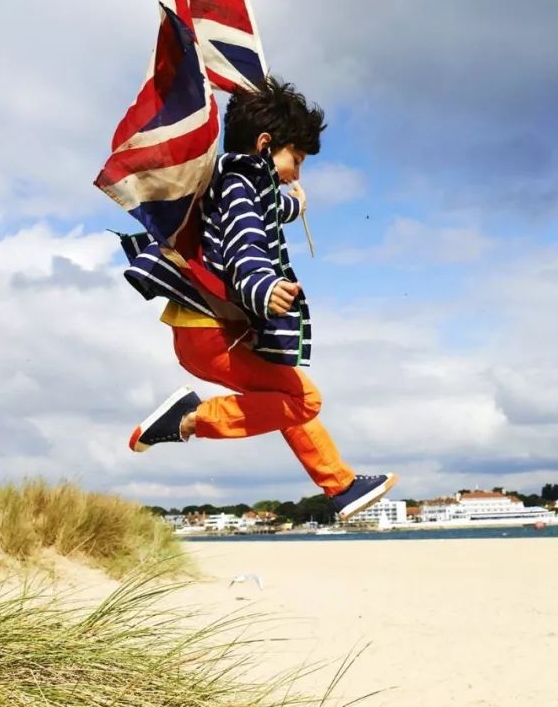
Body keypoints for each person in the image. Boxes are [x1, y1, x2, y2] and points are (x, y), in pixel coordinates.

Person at [127, 77, 396, 521]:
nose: (297, 172)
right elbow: (244, 245)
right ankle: (189, 420)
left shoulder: (240, 183)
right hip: (213, 330)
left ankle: (341, 486)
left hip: (205, 330)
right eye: (297, 159)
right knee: (304, 401)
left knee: (289, 396)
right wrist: (265, 287)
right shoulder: (239, 185)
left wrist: (295, 206)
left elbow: (265, 209)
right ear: (266, 143)